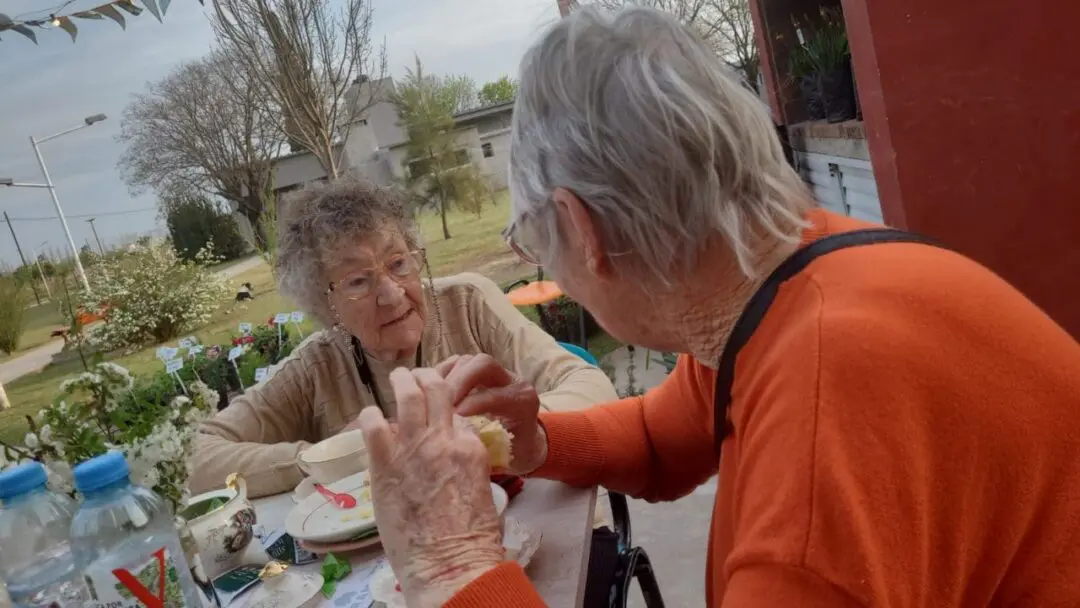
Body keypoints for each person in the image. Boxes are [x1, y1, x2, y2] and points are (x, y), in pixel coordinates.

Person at [355, 6, 1080, 608]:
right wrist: (536, 443)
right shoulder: (788, 278)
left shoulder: (827, 414)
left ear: (583, 230)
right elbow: (659, 434)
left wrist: (455, 568)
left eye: (531, 240)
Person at [187, 175, 617, 498]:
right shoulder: (316, 364)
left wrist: (482, 429)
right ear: (324, 301)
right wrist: (335, 455)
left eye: (398, 263)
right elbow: (197, 458)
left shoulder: (467, 302)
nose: (392, 294)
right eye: (359, 281)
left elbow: (593, 388)